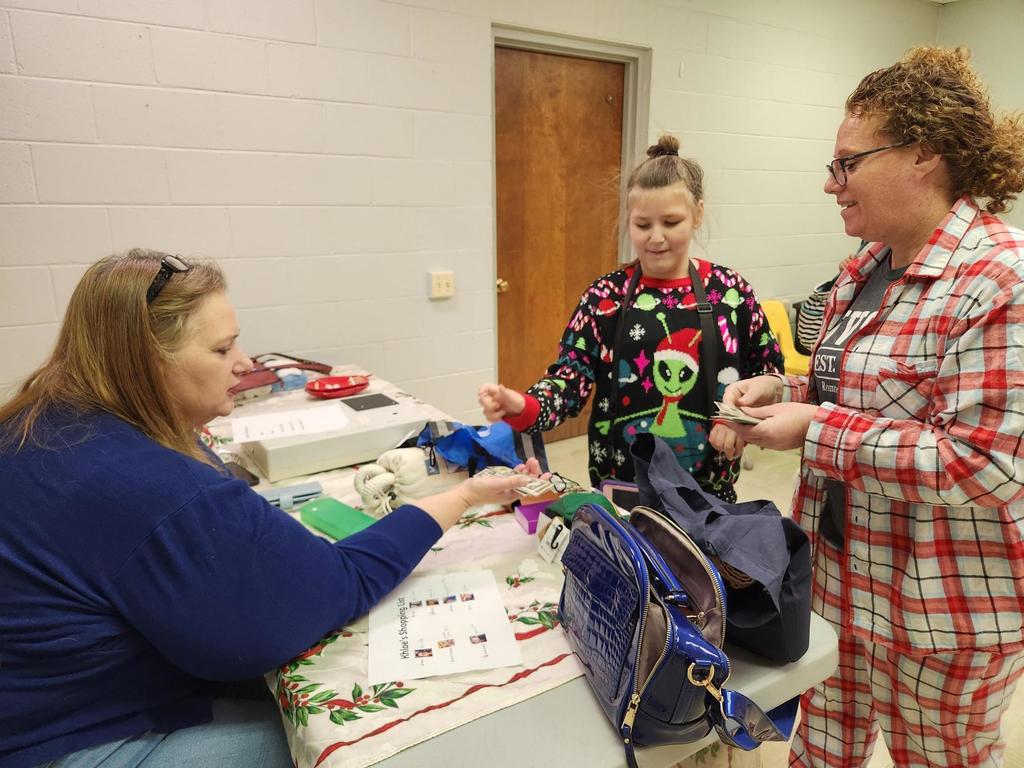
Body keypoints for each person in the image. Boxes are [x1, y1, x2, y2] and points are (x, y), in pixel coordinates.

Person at [0, 249, 536, 768]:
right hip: (65, 741)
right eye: (220, 350)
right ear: (142, 361)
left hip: (48, 707)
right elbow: (336, 584)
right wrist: (462, 496)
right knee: (345, 738)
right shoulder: (151, 485)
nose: (244, 365)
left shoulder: (43, 419)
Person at [716, 47, 1024, 767]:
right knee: (822, 749)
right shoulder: (865, 266)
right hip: (836, 582)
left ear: (923, 155)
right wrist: (782, 393)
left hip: (943, 613)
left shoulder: (1001, 280)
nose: (831, 185)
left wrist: (814, 429)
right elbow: (857, 391)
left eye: (848, 164)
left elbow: (985, 464)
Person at [479, 134, 783, 502]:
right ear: (629, 221)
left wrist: (738, 419)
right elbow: (570, 380)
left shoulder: (730, 293)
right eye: (642, 225)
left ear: (698, 213)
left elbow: (771, 375)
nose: (656, 238)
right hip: (621, 491)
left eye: (671, 222)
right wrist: (524, 406)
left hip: (708, 495)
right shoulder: (604, 298)